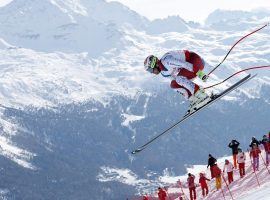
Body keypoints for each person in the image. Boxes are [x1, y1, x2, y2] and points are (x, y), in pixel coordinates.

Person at [144, 50, 210, 113]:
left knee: (179, 79)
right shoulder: (164, 73)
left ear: (154, 64)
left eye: (150, 70)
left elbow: (185, 64)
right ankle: (194, 99)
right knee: (173, 85)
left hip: (196, 61)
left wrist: (201, 75)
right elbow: (177, 81)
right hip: (191, 68)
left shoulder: (167, 61)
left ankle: (202, 95)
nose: (152, 72)